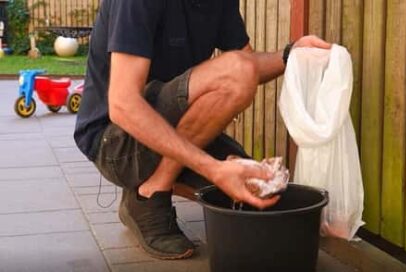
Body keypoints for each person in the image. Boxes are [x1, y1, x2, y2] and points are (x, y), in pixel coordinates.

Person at [74, 0, 330, 260]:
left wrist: (290, 54)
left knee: (258, 190)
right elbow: (123, 105)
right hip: (115, 141)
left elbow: (250, 64)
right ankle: (152, 193)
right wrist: (213, 169)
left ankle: (145, 188)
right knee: (236, 73)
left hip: (171, 122)